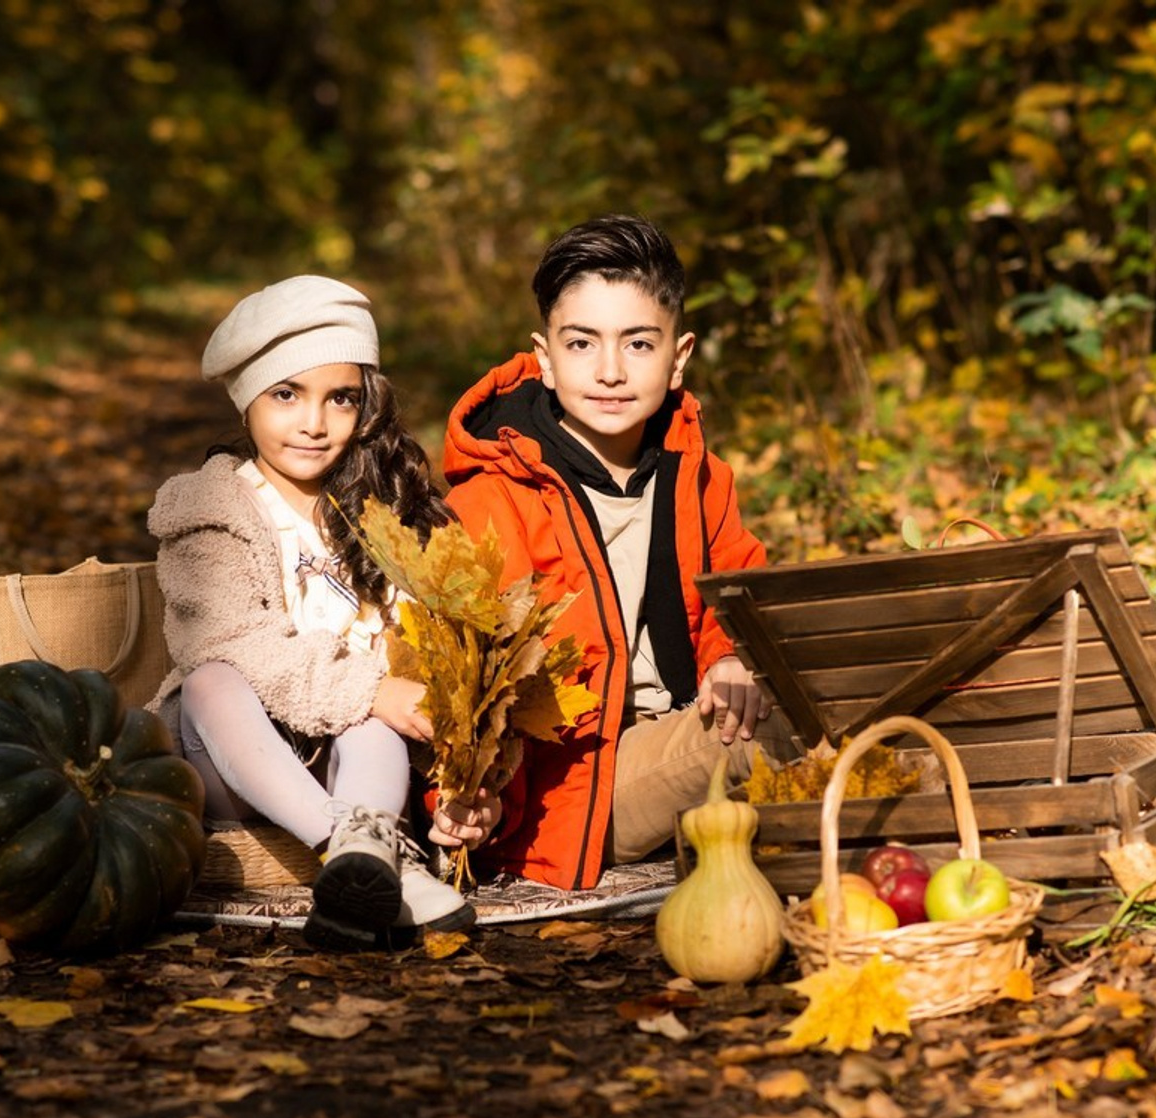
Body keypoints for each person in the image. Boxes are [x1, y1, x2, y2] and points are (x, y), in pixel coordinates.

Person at [441, 214, 798, 891]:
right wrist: (463, 798)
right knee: (783, 734)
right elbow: (460, 682)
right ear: (546, 358)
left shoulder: (697, 474)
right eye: (582, 344)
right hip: (578, 784)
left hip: (686, 722)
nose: (610, 372)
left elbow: (738, 584)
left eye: (638, 344)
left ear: (678, 357)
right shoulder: (493, 499)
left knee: (837, 687)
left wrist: (729, 656)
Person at [148, 275, 498, 951]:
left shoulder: (382, 511)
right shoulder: (211, 507)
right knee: (211, 679)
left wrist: (456, 765)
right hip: (236, 762)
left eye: (341, 398)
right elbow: (233, 640)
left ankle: (363, 862)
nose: (314, 423)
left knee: (372, 724)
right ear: (247, 401)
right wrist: (373, 691)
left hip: (355, 768)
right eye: (286, 395)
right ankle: (356, 849)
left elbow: (425, 661)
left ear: (365, 407)